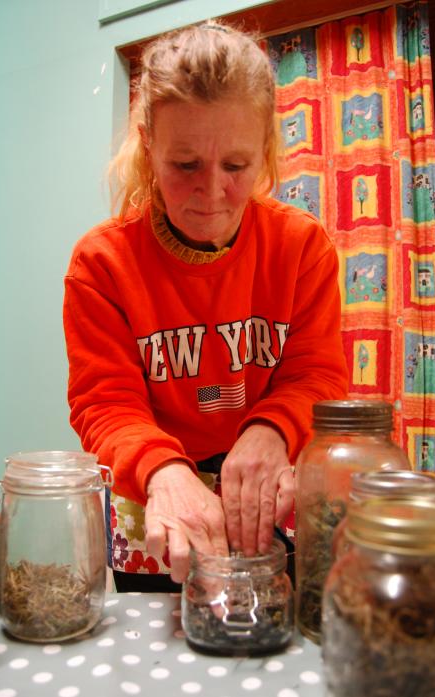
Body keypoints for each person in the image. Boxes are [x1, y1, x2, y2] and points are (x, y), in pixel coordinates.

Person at [63, 20, 349, 592]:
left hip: (268, 501)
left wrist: (270, 430)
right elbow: (105, 402)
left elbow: (316, 374)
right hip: (156, 502)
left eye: (236, 167)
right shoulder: (101, 263)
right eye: (185, 165)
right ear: (148, 146)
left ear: (265, 150)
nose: (212, 193)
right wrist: (164, 470)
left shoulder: (302, 247)